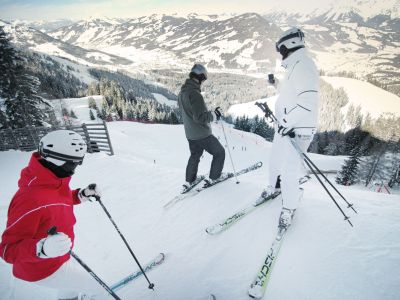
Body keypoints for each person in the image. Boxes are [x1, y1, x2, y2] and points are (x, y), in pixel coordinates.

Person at [0, 130, 106, 300]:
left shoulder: (52, 180)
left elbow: (55, 202)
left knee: (70, 289)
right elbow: (7, 250)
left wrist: (81, 195)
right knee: (100, 288)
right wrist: (41, 249)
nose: (75, 168)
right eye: (73, 164)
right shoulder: (29, 199)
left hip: (60, 255)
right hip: (43, 268)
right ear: (56, 161)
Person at [261, 27, 319, 229]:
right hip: (285, 127)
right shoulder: (295, 66)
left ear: (289, 45)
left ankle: (289, 207)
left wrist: (286, 122)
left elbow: (308, 102)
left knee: (289, 170)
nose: (280, 53)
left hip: (298, 130)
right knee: (275, 159)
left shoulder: (304, 65)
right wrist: (276, 83)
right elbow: (290, 94)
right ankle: (274, 188)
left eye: (281, 49)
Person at [178, 64, 227, 192]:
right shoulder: (195, 94)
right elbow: (199, 117)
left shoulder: (182, 92)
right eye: (203, 79)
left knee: (195, 155)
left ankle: (190, 180)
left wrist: (207, 113)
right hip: (202, 134)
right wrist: (214, 115)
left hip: (190, 134)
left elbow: (189, 112)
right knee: (219, 153)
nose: (203, 82)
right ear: (199, 77)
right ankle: (214, 177)